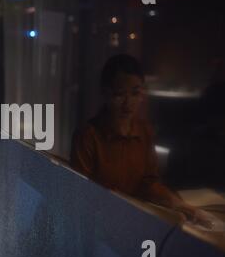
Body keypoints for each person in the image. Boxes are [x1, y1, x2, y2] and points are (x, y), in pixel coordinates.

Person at [70, 54, 211, 226]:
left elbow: (148, 183)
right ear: (105, 93)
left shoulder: (144, 131)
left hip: (135, 220)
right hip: (100, 223)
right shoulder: (87, 136)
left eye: (136, 93)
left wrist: (180, 205)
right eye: (119, 94)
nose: (128, 104)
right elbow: (80, 195)